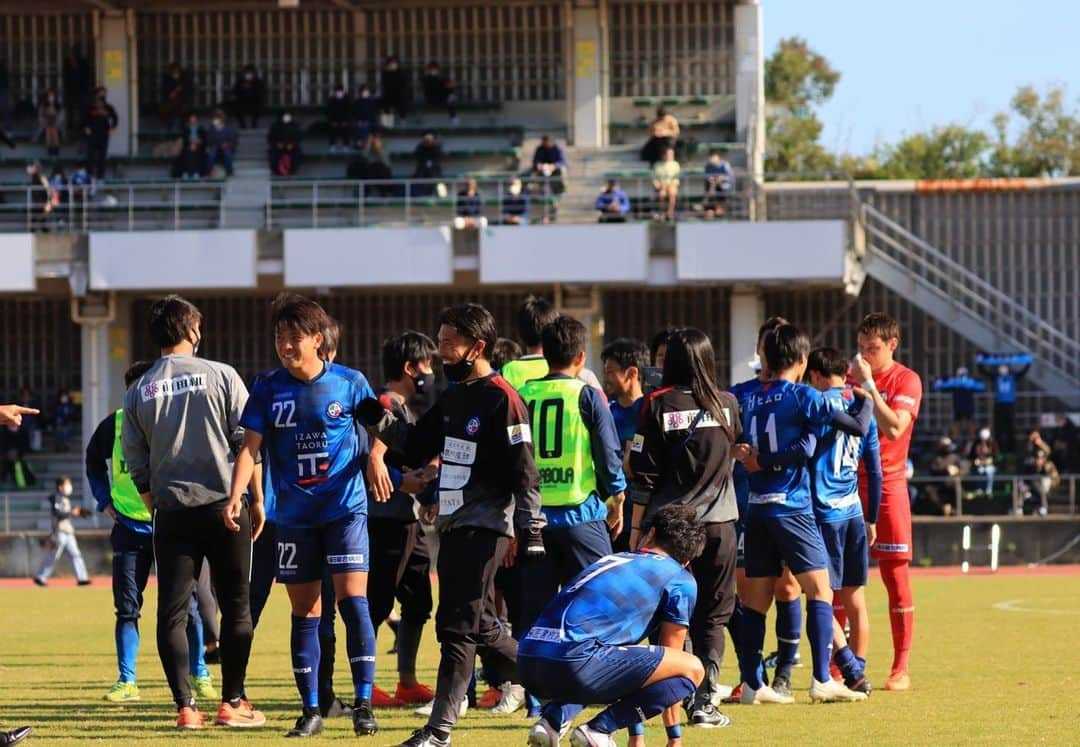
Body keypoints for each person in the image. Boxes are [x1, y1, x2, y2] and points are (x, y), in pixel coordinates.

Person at [356, 302, 546, 747]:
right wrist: (375, 417)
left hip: (487, 526)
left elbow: (526, 470)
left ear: (476, 346)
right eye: (439, 342)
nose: (440, 352)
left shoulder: (504, 398)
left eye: (448, 343)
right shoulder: (454, 396)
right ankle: (549, 674)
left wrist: (530, 529)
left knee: (457, 627)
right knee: (474, 623)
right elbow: (415, 446)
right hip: (454, 523)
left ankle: (439, 730)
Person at [227, 294, 380, 738]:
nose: (285, 345)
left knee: (354, 603)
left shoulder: (350, 383)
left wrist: (374, 458)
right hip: (293, 516)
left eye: (294, 337)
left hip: (344, 512)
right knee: (305, 612)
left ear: (317, 340)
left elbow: (382, 427)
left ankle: (364, 704)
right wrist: (237, 494)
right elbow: (249, 448)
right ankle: (310, 710)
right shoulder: (267, 387)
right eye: (279, 337)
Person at [123, 294, 265, 730]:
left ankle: (186, 708)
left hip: (172, 513)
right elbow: (248, 444)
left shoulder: (138, 390)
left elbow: (138, 466)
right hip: (227, 507)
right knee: (236, 607)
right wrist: (256, 500)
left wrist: (158, 511)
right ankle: (232, 701)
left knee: (171, 611)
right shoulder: (221, 375)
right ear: (193, 331)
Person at [735, 323, 872, 705]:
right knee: (820, 590)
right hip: (792, 507)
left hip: (756, 508)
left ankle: (751, 684)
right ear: (800, 361)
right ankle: (821, 678)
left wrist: (747, 455)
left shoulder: (743, 395)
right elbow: (858, 426)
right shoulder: (803, 396)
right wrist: (867, 394)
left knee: (756, 601)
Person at [519, 504, 707, 747]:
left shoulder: (611, 559)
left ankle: (552, 721)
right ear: (688, 559)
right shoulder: (680, 579)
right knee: (692, 667)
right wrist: (674, 737)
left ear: (650, 534)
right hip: (573, 664)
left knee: (604, 658)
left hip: (528, 660)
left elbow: (631, 666)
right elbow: (670, 661)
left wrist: (636, 734)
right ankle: (598, 730)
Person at [517, 316, 627, 723]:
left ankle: (534, 698)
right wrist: (616, 496)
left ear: (544, 353)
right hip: (581, 515)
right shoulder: (586, 393)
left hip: (534, 519)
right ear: (581, 357)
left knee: (537, 611)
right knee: (600, 602)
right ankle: (598, 683)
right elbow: (607, 451)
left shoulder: (522, 395)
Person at [629, 328, 740, 728]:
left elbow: (641, 467)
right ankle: (706, 702)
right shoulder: (727, 403)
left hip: (674, 531)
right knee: (713, 615)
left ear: (670, 361)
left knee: (672, 615)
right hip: (721, 525)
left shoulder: (655, 404)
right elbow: (735, 448)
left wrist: (636, 527)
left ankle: (675, 694)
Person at [848, 312, 923, 691]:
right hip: (846, 486)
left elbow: (895, 425)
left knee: (895, 577)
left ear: (892, 344)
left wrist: (868, 387)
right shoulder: (849, 377)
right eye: (860, 348)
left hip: (890, 486)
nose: (864, 355)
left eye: (872, 349)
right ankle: (838, 664)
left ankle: (900, 665)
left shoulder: (906, 379)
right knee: (840, 580)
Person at [364, 332, 439, 708]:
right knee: (376, 605)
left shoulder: (408, 408)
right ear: (410, 368)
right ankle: (365, 687)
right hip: (384, 521)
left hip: (408, 521)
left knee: (418, 601)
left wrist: (423, 487)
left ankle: (406, 682)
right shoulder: (388, 403)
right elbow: (373, 456)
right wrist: (401, 480)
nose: (431, 373)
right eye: (427, 365)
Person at [805, 347, 882, 695]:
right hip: (853, 512)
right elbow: (875, 471)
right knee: (856, 600)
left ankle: (850, 669)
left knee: (818, 593)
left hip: (823, 514)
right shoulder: (862, 404)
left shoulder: (818, 407)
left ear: (819, 376)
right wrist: (872, 516)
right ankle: (860, 671)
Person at [600, 338, 649, 551]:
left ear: (632, 373)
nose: (606, 378)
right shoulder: (604, 412)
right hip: (610, 517)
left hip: (644, 516)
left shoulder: (651, 410)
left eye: (611, 371)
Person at [500, 295, 604, 394]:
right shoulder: (577, 371)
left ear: (519, 334)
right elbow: (602, 407)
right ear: (553, 331)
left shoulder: (506, 372)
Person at [33, 476, 90, 587]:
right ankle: (40, 577)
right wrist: (71, 512)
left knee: (76, 554)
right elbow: (57, 513)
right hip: (59, 532)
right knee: (54, 556)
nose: (69, 487)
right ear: (60, 487)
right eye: (67, 484)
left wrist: (77, 512)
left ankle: (82, 578)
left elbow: (65, 513)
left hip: (68, 532)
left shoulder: (65, 498)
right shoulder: (56, 497)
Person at [976, 353, 1031, 454]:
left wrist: (1028, 363)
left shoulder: (1013, 377)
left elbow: (1023, 372)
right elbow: (984, 373)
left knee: (1010, 427)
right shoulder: (996, 377)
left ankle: (1011, 449)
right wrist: (979, 363)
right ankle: (998, 449)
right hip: (999, 405)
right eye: (1001, 368)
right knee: (998, 428)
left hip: (1010, 405)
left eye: (1004, 367)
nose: (1003, 369)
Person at [933, 367, 985, 443]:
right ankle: (959, 442)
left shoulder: (955, 382)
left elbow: (938, 385)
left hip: (964, 407)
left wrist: (942, 379)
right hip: (962, 407)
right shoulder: (966, 382)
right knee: (960, 424)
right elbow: (938, 386)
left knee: (967, 424)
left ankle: (969, 442)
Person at [84, 88, 118, 180]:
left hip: (103, 133)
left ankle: (100, 175)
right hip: (92, 133)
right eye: (101, 93)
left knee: (102, 155)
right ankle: (89, 175)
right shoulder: (91, 107)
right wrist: (86, 127)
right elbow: (84, 118)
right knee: (91, 155)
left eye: (104, 93)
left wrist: (112, 128)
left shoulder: (108, 107)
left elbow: (115, 118)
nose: (103, 95)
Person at [62, 46, 92, 137]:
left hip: (82, 91)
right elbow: (66, 77)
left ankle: (81, 130)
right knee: (70, 111)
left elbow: (86, 77)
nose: (72, 55)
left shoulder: (83, 63)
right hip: (70, 92)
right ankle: (70, 129)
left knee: (82, 112)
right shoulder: (67, 62)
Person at [160, 63, 193, 131]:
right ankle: (168, 126)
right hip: (171, 100)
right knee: (165, 109)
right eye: (173, 71)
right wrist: (172, 93)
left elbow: (188, 89)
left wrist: (178, 91)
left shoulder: (185, 77)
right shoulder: (167, 77)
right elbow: (165, 89)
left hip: (183, 100)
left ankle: (182, 127)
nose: (175, 72)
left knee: (184, 110)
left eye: (177, 70)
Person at [173, 113, 207, 179]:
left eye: (194, 119)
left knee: (199, 154)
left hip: (199, 146)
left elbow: (204, 139)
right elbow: (185, 138)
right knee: (185, 153)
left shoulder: (201, 128)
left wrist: (197, 142)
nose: (193, 121)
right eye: (191, 119)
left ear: (196, 120)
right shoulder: (186, 128)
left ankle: (197, 173)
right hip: (188, 145)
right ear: (189, 120)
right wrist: (191, 143)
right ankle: (185, 172)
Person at [268, 111, 302, 177]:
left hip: (292, 147)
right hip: (277, 147)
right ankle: (277, 171)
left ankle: (292, 170)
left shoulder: (295, 126)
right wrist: (277, 143)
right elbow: (270, 138)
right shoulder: (275, 126)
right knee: (273, 155)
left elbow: (298, 137)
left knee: (296, 154)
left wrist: (292, 144)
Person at [205, 111, 238, 177]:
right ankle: (208, 172)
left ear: (221, 119)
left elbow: (232, 139)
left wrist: (226, 144)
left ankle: (230, 171)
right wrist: (209, 146)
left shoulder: (228, 128)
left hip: (225, 146)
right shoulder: (211, 128)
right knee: (211, 155)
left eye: (216, 119)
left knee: (228, 154)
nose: (215, 121)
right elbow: (209, 139)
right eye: (214, 119)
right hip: (215, 146)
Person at [702, 151, 734, 219]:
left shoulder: (725, 165)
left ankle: (717, 209)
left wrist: (720, 178)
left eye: (713, 157)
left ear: (717, 157)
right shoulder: (708, 166)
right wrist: (711, 179)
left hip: (723, 186)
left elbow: (729, 177)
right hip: (712, 186)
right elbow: (707, 177)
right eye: (710, 158)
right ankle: (711, 211)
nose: (711, 159)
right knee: (711, 187)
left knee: (714, 188)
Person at [380, 56, 411, 126]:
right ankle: (387, 123)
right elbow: (385, 86)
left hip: (399, 95)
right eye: (390, 64)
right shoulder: (385, 74)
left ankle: (402, 119)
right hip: (389, 95)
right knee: (384, 103)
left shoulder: (401, 73)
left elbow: (404, 86)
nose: (392, 66)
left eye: (394, 64)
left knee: (402, 101)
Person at [652, 147, 680, 222]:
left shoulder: (675, 164)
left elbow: (676, 179)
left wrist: (669, 186)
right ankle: (662, 213)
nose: (670, 156)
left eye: (671, 154)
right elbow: (655, 179)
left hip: (671, 185)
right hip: (661, 187)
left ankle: (670, 213)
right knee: (662, 194)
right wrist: (660, 186)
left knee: (672, 192)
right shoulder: (657, 165)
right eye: (668, 154)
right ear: (663, 155)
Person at [968, 428, 999, 496]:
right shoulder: (976, 443)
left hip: (990, 465)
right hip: (978, 466)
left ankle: (988, 490)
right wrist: (975, 461)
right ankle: (979, 489)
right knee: (980, 471)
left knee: (989, 471)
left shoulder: (992, 443)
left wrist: (990, 461)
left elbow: (996, 456)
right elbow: (971, 456)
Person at [327, 84, 354, 153]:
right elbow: (329, 111)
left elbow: (349, 110)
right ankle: (332, 145)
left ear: (343, 91)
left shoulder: (347, 98)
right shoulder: (332, 99)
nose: (339, 93)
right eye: (337, 91)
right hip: (334, 119)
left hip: (345, 119)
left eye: (340, 91)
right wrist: (332, 121)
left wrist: (346, 120)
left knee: (346, 132)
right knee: (333, 132)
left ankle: (346, 145)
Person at [37, 89, 64, 158]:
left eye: (52, 96)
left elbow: (61, 115)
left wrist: (58, 123)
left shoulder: (58, 105)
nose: (51, 98)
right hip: (47, 122)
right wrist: (43, 122)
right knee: (48, 133)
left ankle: (56, 149)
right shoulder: (44, 105)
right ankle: (49, 149)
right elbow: (41, 115)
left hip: (55, 122)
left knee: (55, 133)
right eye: (50, 96)